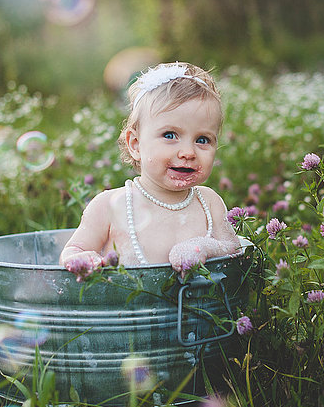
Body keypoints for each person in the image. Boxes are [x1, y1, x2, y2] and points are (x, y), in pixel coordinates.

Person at [59, 62, 240, 275]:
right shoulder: (107, 206)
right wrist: (82, 258)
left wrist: (203, 247)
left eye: (202, 139)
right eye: (170, 135)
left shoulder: (209, 202)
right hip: (126, 308)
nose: (188, 152)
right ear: (135, 145)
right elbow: (73, 249)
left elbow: (234, 249)